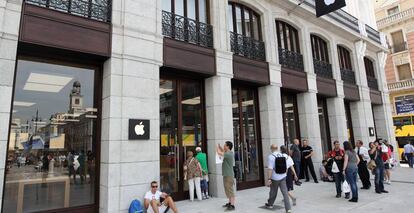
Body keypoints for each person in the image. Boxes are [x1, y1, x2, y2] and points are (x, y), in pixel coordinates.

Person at [265, 144, 297, 213]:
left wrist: (269, 179)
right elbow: (286, 166)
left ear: (271, 149)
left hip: (275, 177)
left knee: (273, 192)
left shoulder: (271, 156)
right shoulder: (282, 155)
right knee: (285, 193)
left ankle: (270, 204)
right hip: (283, 176)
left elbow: (270, 169)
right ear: (277, 148)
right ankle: (288, 209)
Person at [216, 141, 235, 211]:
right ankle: (230, 203)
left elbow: (219, 153)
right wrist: (220, 147)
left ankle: (232, 205)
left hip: (229, 175)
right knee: (227, 189)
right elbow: (222, 151)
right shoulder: (228, 152)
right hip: (226, 174)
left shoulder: (229, 154)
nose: (224, 146)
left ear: (228, 147)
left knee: (230, 190)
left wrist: (217, 148)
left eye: (224, 145)